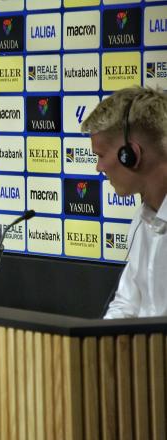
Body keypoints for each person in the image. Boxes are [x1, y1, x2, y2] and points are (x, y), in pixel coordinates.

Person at [81, 87, 167, 318]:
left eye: (100, 155)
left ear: (131, 154)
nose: (98, 168)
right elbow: (126, 306)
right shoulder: (143, 219)